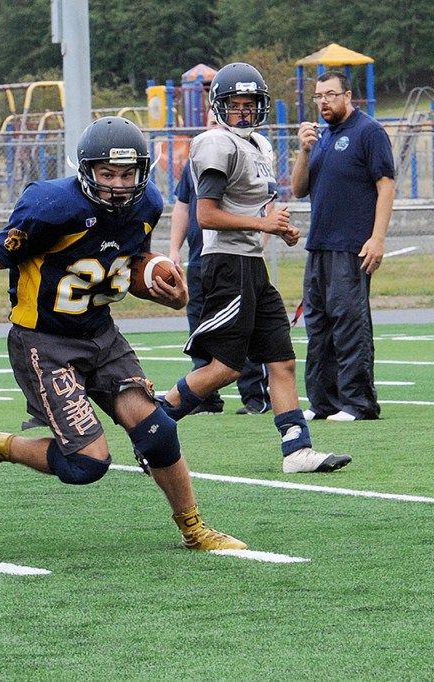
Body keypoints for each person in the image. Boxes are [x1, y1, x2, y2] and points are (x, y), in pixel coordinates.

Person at [0, 116, 246, 552]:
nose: (118, 185)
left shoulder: (147, 204)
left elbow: (123, 265)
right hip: (45, 341)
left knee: (159, 431)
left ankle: (194, 528)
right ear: (86, 171)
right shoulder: (52, 206)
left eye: (127, 174)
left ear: (142, 173)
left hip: (101, 332)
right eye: (107, 174)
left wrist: (166, 291)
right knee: (87, 464)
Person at [157, 62, 351, 474]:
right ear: (219, 107)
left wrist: (277, 227)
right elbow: (206, 215)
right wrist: (263, 223)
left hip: (251, 263)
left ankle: (297, 450)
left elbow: (254, 207)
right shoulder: (215, 143)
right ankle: (151, 426)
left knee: (281, 360)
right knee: (225, 368)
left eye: (249, 105)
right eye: (235, 105)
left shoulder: (260, 146)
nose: (242, 112)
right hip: (224, 265)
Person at [290, 70, 395, 422]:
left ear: (349, 96)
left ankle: (358, 403)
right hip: (318, 244)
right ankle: (324, 403)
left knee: (349, 323)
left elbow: (386, 185)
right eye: (319, 96)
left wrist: (377, 237)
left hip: (352, 245)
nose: (324, 102)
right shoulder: (319, 138)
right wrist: (303, 151)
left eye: (331, 95)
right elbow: (298, 189)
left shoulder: (369, 132)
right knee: (318, 326)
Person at [170, 113, 271, 416]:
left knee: (243, 330)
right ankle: (204, 397)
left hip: (234, 257)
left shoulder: (247, 156)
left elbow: (264, 204)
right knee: (201, 328)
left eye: (221, 124)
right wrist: (174, 250)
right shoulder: (200, 158)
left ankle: (255, 397)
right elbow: (183, 206)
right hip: (202, 258)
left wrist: (259, 242)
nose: (217, 130)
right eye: (213, 123)